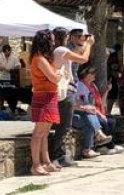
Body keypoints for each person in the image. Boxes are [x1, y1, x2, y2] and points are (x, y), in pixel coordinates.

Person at [51, 27, 92, 168]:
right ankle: (59, 155)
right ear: (66, 37)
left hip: (64, 90)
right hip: (66, 90)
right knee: (64, 125)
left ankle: (60, 154)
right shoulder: (62, 50)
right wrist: (89, 44)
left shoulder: (57, 50)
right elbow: (83, 59)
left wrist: (84, 43)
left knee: (63, 124)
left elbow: (78, 53)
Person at [28, 29, 61, 176]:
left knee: (45, 132)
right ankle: (36, 165)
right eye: (51, 40)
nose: (53, 43)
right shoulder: (39, 59)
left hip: (50, 96)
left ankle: (46, 162)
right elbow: (54, 78)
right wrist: (59, 74)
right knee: (39, 132)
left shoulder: (44, 58)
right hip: (43, 96)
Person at [72, 64, 123, 157]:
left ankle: (105, 144)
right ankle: (104, 145)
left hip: (92, 110)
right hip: (85, 111)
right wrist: (97, 112)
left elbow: (97, 102)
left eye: (94, 74)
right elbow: (84, 103)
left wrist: (107, 90)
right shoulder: (80, 86)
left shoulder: (93, 85)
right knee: (100, 121)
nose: (94, 75)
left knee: (111, 121)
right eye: (92, 74)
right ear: (86, 74)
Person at [0, 44, 23, 115]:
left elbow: (18, 66)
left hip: (11, 78)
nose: (6, 53)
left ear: (10, 51)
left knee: (12, 94)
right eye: (5, 52)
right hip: (2, 78)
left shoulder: (14, 58)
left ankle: (12, 109)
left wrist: (10, 70)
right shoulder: (1, 57)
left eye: (8, 52)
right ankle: (1, 108)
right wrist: (0, 68)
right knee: (0, 93)